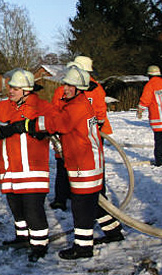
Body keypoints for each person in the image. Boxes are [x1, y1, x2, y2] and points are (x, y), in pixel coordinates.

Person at [9, 66, 121, 260]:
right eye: (65, 84)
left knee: (81, 206)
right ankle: (113, 231)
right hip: (87, 162)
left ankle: (83, 247)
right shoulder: (78, 103)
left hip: (83, 165)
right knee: (92, 202)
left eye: (70, 85)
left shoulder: (77, 106)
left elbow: (58, 124)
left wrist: (28, 125)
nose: (65, 88)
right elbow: (60, 122)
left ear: (80, 88)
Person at [0, 69, 50, 262]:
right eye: (10, 87)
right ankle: (22, 237)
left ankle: (39, 244)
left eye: (15, 88)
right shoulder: (3, 106)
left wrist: (35, 127)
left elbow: (54, 123)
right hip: (9, 168)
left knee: (32, 208)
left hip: (32, 168)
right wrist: (0, 131)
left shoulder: (40, 105)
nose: (10, 91)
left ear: (27, 90)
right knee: (16, 206)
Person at [49, 56, 112, 211]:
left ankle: (63, 198)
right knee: (93, 167)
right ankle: (97, 197)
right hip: (90, 135)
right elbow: (100, 112)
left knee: (65, 166)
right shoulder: (96, 88)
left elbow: (54, 113)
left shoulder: (64, 90)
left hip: (71, 135)